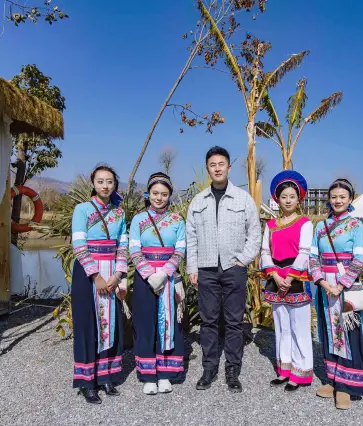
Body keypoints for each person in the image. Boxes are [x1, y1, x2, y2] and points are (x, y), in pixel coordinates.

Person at [186, 146, 261, 393]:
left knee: (233, 322)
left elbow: (255, 233)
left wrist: (242, 260)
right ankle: (209, 368)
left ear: (229, 167)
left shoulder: (243, 199)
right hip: (206, 269)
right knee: (207, 321)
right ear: (208, 169)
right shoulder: (198, 201)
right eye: (212, 165)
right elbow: (191, 237)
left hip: (233, 268)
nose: (217, 168)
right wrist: (192, 267)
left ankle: (232, 369)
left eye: (221, 164)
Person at [309, 178, 363, 410]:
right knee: (328, 332)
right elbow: (313, 258)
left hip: (346, 287)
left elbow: (359, 259)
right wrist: (324, 283)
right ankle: (333, 380)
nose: (337, 200)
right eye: (334, 197)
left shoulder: (356, 225)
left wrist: (340, 285)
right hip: (325, 287)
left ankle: (348, 386)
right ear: (329, 199)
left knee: (347, 334)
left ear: (350, 199)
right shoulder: (320, 226)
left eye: (342, 197)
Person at [71, 164, 128, 405]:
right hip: (87, 274)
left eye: (110, 182)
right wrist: (96, 277)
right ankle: (87, 382)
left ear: (115, 185)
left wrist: (117, 276)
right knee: (87, 326)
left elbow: (122, 245)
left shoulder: (119, 213)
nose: (105, 185)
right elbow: (79, 245)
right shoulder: (82, 210)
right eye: (100, 181)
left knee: (110, 324)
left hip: (112, 272)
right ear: (93, 184)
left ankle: (107, 376)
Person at [129, 172, 186, 395]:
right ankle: (148, 375)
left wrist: (164, 273)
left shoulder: (177, 220)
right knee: (145, 324)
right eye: (155, 193)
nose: (159, 198)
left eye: (164, 194)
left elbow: (180, 249)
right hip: (144, 279)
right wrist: (149, 274)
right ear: (148, 194)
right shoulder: (138, 220)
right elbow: (134, 248)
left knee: (169, 324)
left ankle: (165, 374)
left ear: (169, 196)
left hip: (168, 277)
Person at [260, 171, 314, 392]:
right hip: (276, 277)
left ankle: (301, 372)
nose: (288, 200)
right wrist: (274, 275)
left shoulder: (305, 223)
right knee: (281, 326)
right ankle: (285, 369)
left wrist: (289, 277)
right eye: (284, 197)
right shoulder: (271, 225)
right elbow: (264, 252)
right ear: (277, 199)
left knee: (298, 327)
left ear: (298, 198)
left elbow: (304, 252)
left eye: (292, 196)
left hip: (296, 278)